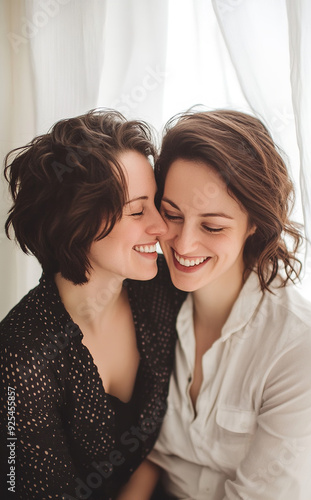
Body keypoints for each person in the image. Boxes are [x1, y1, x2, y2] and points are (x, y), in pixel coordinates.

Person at [118, 109, 311, 500]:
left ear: (254, 224)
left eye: (212, 226)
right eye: (172, 215)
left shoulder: (306, 348)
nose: (183, 245)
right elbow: (152, 455)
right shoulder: (152, 302)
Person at [0, 109, 186, 499]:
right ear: (77, 223)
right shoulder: (19, 357)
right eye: (137, 211)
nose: (162, 227)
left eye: (155, 203)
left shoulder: (161, 288)